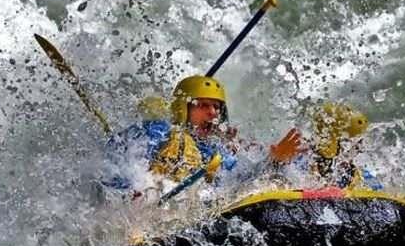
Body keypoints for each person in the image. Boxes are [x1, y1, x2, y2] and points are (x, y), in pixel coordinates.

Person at [102, 75, 304, 195]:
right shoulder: (157, 131)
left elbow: (242, 183)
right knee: (179, 141)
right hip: (138, 210)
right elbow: (112, 162)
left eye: (216, 107)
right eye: (203, 105)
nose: (213, 113)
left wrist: (274, 160)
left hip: (179, 213)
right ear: (183, 109)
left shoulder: (217, 152)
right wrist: (134, 190)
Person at [306, 102, 382, 190]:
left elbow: (380, 190)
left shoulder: (362, 175)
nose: (359, 149)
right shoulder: (305, 162)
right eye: (356, 143)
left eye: (359, 143)